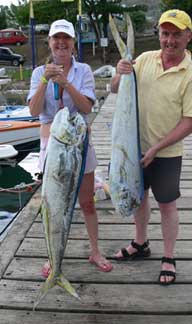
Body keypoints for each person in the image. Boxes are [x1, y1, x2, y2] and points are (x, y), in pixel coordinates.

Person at [111, 9, 192, 285]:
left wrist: (156, 148)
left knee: (167, 205)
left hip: (166, 153)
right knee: (138, 198)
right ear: (159, 35)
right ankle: (140, 243)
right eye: (165, 34)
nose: (170, 40)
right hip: (133, 148)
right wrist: (119, 72)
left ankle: (169, 257)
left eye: (176, 34)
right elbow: (116, 89)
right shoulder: (144, 60)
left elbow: (189, 123)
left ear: (188, 36)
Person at [27, 19, 113, 275]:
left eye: (67, 38)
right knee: (52, 205)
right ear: (50, 42)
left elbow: (87, 107)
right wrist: (45, 80)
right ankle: (53, 257)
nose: (61, 43)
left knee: (87, 202)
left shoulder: (84, 70)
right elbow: (33, 111)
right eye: (57, 38)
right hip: (51, 146)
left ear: (74, 43)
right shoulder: (36, 73)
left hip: (77, 144)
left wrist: (65, 82)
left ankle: (95, 250)